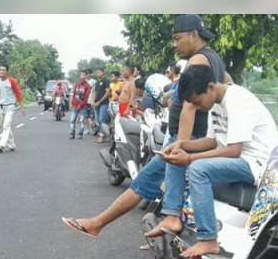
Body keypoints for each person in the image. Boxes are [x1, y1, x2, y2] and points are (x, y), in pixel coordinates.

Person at [62, 14, 232, 238]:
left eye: (177, 38)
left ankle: (106, 223)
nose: (174, 45)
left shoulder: (198, 60)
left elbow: (189, 107)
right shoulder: (214, 59)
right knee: (145, 182)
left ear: (193, 34)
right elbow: (229, 86)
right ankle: (102, 224)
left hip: (186, 136)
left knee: (144, 183)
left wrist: (180, 144)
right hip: (192, 135)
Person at [143, 64, 278, 258]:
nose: (197, 107)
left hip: (256, 163)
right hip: (239, 159)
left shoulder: (237, 100)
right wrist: (182, 144)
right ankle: (172, 217)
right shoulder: (215, 103)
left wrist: (190, 158)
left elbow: (234, 150)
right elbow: (212, 141)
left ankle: (208, 239)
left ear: (211, 87)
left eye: (198, 102)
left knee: (198, 169)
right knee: (178, 157)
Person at [0, 65, 24, 153]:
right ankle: (11, 145)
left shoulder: (11, 81)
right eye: (0, 70)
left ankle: (1, 145)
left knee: (6, 125)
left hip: (10, 106)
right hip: (1, 107)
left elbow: (18, 93)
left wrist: (21, 106)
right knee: (5, 126)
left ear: (7, 72)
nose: (2, 72)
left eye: (3, 70)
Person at [69, 70, 91, 140]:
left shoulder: (87, 86)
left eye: (83, 75)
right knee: (72, 120)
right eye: (81, 75)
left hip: (83, 107)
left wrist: (80, 105)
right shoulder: (76, 84)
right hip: (75, 105)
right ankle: (72, 133)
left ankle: (80, 134)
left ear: (86, 76)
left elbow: (86, 98)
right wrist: (71, 103)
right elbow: (74, 94)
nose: (82, 76)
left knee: (82, 121)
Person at [92, 68, 110, 142]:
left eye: (99, 72)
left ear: (103, 73)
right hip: (96, 103)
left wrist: (99, 101)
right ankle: (101, 135)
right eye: (97, 72)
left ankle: (102, 137)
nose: (98, 74)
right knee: (98, 121)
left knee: (102, 120)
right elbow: (95, 92)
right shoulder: (97, 82)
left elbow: (107, 93)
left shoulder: (106, 81)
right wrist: (93, 102)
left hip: (104, 103)